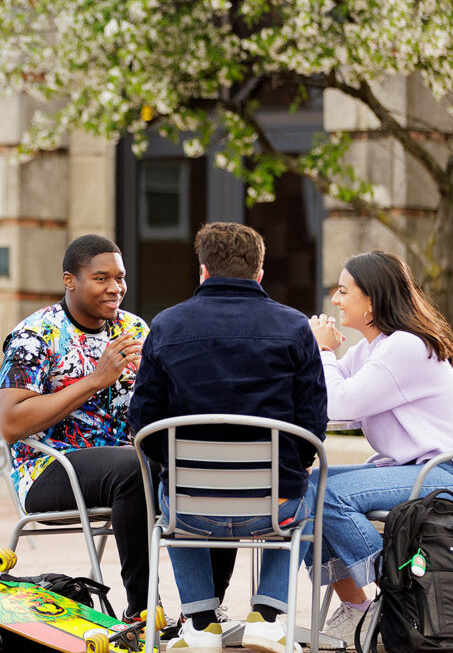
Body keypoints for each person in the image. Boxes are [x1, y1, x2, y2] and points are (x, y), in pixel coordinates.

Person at [130, 222, 327, 653]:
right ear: (259, 272)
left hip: (190, 510)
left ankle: (200, 625)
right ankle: (269, 617)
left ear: (203, 271)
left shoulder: (165, 326)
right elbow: (313, 428)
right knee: (307, 489)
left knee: (170, 488)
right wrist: (291, 475)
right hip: (272, 508)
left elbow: (143, 423)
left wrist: (177, 467)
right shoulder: (296, 328)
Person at [306, 251, 453, 645]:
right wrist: (330, 359)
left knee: (332, 495)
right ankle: (358, 607)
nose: (335, 301)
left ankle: (399, 594)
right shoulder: (373, 348)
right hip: (423, 470)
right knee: (308, 488)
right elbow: (339, 403)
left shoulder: (404, 347)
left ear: (371, 301)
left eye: (343, 291)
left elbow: (338, 403)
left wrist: (322, 352)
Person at [0, 234, 155, 621]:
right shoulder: (35, 336)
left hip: (124, 464)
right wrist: (94, 381)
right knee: (135, 470)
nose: (115, 288)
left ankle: (206, 611)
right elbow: (11, 423)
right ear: (70, 280)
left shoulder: (134, 330)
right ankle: (143, 611)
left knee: (191, 463)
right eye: (101, 278)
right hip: (50, 469)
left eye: (120, 278)